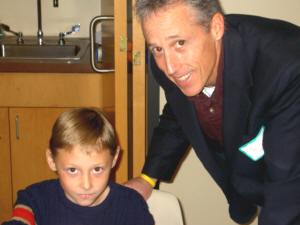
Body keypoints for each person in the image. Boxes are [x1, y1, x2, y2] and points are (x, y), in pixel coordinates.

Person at [125, 0, 300, 224]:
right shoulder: (163, 63)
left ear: (216, 27)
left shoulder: (287, 68)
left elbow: (288, 188)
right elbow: (179, 113)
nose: (170, 67)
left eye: (179, 43)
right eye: (157, 48)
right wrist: (147, 178)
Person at [2, 108, 154, 225]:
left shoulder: (131, 206)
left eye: (97, 169)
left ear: (114, 159)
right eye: (73, 170)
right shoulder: (35, 199)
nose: (86, 185)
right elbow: (21, 218)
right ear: (51, 160)